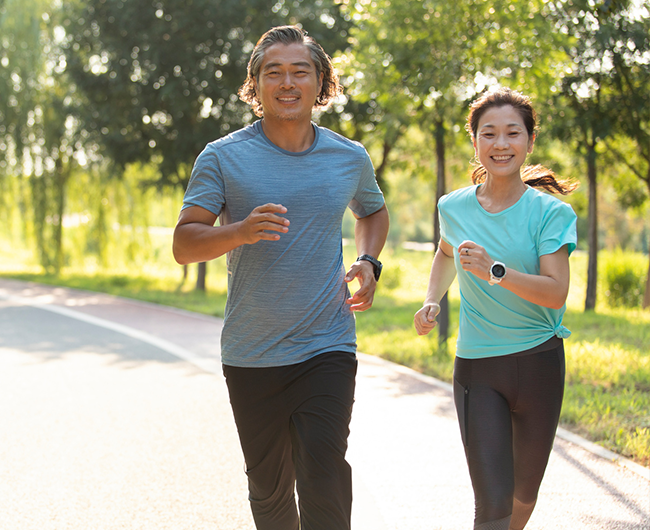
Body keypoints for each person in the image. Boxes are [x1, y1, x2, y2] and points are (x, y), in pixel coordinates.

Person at [172, 25, 389, 530]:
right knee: (269, 493)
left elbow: (373, 213)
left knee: (323, 471)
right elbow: (184, 244)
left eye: (300, 72)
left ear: (321, 84)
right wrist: (240, 231)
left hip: (327, 343)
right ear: (256, 85)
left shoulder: (348, 156)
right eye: (274, 72)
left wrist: (368, 260)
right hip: (253, 351)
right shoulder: (223, 156)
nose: (287, 82)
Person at [414, 87, 577, 530]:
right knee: (492, 504)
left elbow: (555, 293)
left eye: (511, 133)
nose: (500, 144)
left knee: (524, 496)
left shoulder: (550, 213)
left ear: (529, 141)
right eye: (489, 134)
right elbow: (447, 254)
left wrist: (496, 271)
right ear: (475, 142)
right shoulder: (453, 206)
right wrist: (433, 298)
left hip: (539, 363)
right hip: (478, 367)